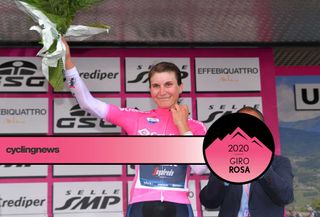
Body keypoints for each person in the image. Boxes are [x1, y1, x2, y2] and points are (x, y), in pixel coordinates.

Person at [62, 39, 207, 217]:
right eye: (156, 86)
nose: (162, 91)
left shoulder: (196, 127)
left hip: (179, 206)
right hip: (141, 204)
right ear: (150, 90)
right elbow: (88, 104)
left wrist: (183, 127)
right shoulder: (136, 118)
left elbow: (200, 169)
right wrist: (67, 62)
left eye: (168, 84)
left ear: (180, 88)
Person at [200, 106, 294, 217]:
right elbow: (209, 202)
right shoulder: (223, 161)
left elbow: (285, 196)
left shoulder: (279, 162)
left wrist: (263, 168)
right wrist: (223, 176)